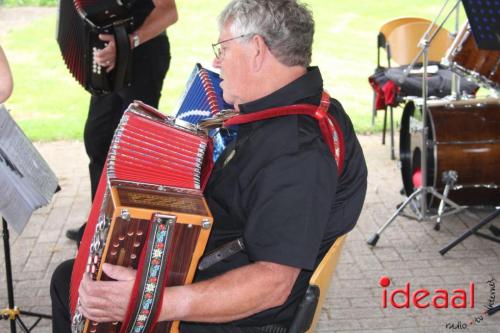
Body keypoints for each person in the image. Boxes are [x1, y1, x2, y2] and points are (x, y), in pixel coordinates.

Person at [51, 0, 368, 332]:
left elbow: (273, 283)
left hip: (241, 311)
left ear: (257, 50)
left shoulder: (297, 153)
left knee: (73, 284)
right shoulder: (306, 107)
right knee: (78, 273)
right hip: (224, 259)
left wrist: (152, 301)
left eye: (224, 49)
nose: (217, 61)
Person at [65, 0, 178, 242]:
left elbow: (169, 12)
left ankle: (133, 230)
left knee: (133, 148)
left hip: (144, 57)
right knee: (98, 138)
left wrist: (127, 42)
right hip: (109, 59)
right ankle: (100, 223)